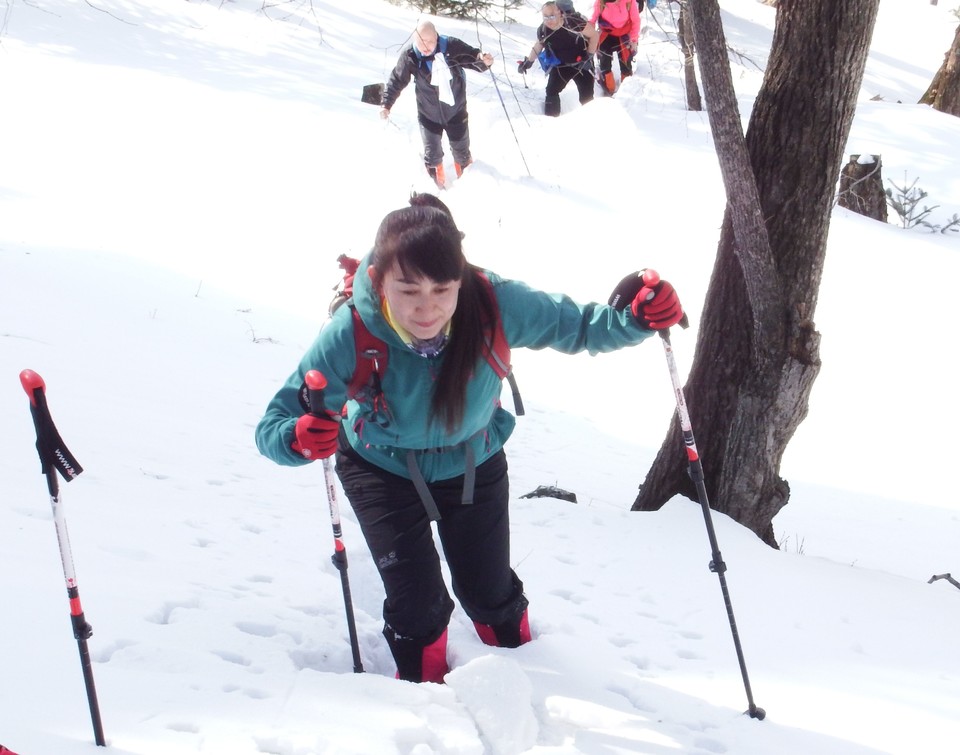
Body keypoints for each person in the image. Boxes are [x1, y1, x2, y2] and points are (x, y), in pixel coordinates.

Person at [255, 199, 684, 684]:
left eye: (442, 289)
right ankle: (428, 704)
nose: (427, 307)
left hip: (473, 459)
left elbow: (582, 327)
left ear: (460, 279)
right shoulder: (350, 332)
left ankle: (533, 675)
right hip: (381, 467)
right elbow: (276, 422)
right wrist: (299, 439)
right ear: (378, 281)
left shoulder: (494, 302)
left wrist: (639, 317)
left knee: (490, 592)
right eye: (408, 288)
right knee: (417, 606)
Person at [380, 22, 494, 189]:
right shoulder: (410, 55)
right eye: (420, 42)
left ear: (436, 37)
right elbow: (397, 80)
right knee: (432, 156)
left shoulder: (451, 46)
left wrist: (484, 61)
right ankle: (437, 188)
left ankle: (469, 186)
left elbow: (472, 58)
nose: (425, 46)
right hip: (428, 115)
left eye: (429, 41)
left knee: (462, 153)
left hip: (456, 112)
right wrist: (386, 104)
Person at [518, 1, 599, 117]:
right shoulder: (543, 30)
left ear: (560, 13)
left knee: (586, 98)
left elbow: (594, 35)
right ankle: (551, 122)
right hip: (562, 65)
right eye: (545, 17)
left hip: (582, 64)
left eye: (552, 16)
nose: (549, 20)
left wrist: (589, 56)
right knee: (551, 91)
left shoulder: (574, 22)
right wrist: (528, 62)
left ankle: (591, 123)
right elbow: (539, 45)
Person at [589, 0, 641, 95]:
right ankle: (608, 85)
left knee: (625, 61)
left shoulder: (629, 2)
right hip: (607, 33)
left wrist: (634, 40)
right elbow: (592, 19)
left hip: (624, 33)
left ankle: (627, 86)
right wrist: (588, 35)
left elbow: (636, 21)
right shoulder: (600, 2)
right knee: (604, 58)